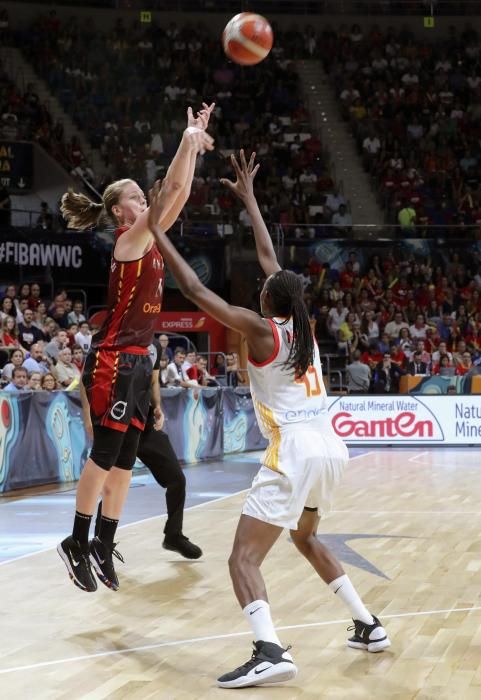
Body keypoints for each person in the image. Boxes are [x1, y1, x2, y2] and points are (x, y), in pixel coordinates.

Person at [147, 151, 390, 689]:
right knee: (306, 539)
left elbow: (194, 290)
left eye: (263, 286)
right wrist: (251, 200)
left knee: (241, 560)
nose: (260, 284)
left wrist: (155, 227)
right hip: (330, 447)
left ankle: (270, 650)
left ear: (267, 299)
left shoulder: (262, 330)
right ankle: (368, 625)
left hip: (295, 450)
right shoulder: (302, 326)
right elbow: (268, 255)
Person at [57, 103, 214, 593]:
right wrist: (186, 139)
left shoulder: (153, 235)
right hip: (112, 359)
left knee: (125, 461)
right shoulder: (129, 240)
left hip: (137, 360)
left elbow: (179, 190)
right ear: (119, 211)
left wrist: (191, 148)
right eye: (134, 197)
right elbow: (168, 190)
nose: (143, 201)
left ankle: (105, 541)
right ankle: (76, 541)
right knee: (105, 454)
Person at [92, 338, 202, 559]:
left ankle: (173, 535)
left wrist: (158, 406)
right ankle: (100, 542)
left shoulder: (153, 345)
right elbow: (90, 382)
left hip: (146, 423)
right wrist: (90, 420)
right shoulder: (111, 339)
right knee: (115, 486)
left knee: (176, 479)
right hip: (119, 423)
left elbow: (153, 381)